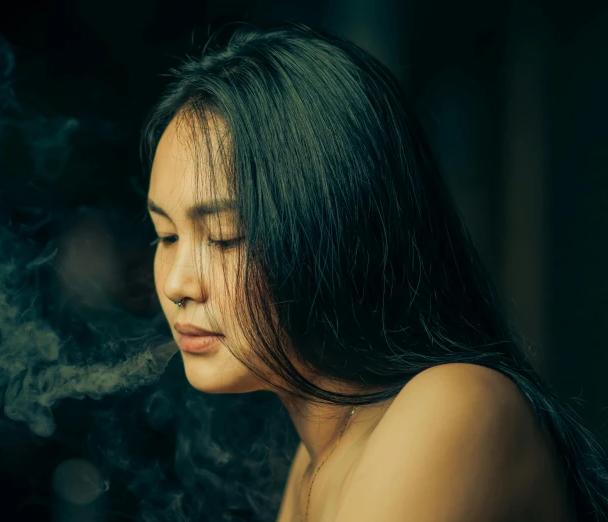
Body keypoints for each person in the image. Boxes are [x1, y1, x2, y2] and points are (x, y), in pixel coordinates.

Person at [141, 22, 608, 522]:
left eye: (224, 236)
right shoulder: (318, 453)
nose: (176, 285)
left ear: (335, 230)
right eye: (166, 236)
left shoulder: (453, 406)